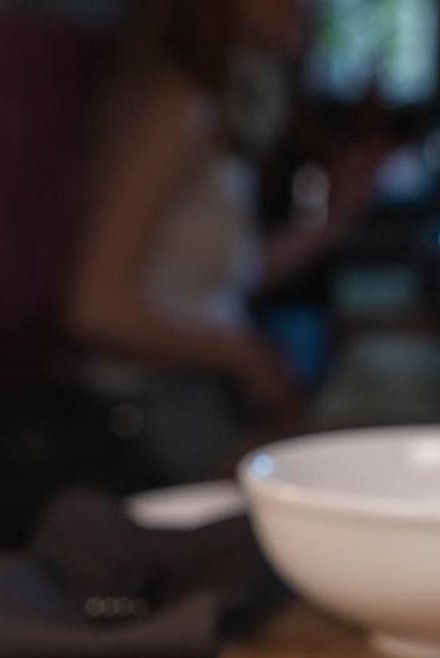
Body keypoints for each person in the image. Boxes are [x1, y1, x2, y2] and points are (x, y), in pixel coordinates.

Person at [66, 0, 375, 481]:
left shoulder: (214, 101)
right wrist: (242, 353)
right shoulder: (171, 106)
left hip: (198, 399)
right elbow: (94, 307)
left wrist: (334, 220)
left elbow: (218, 282)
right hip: (149, 414)